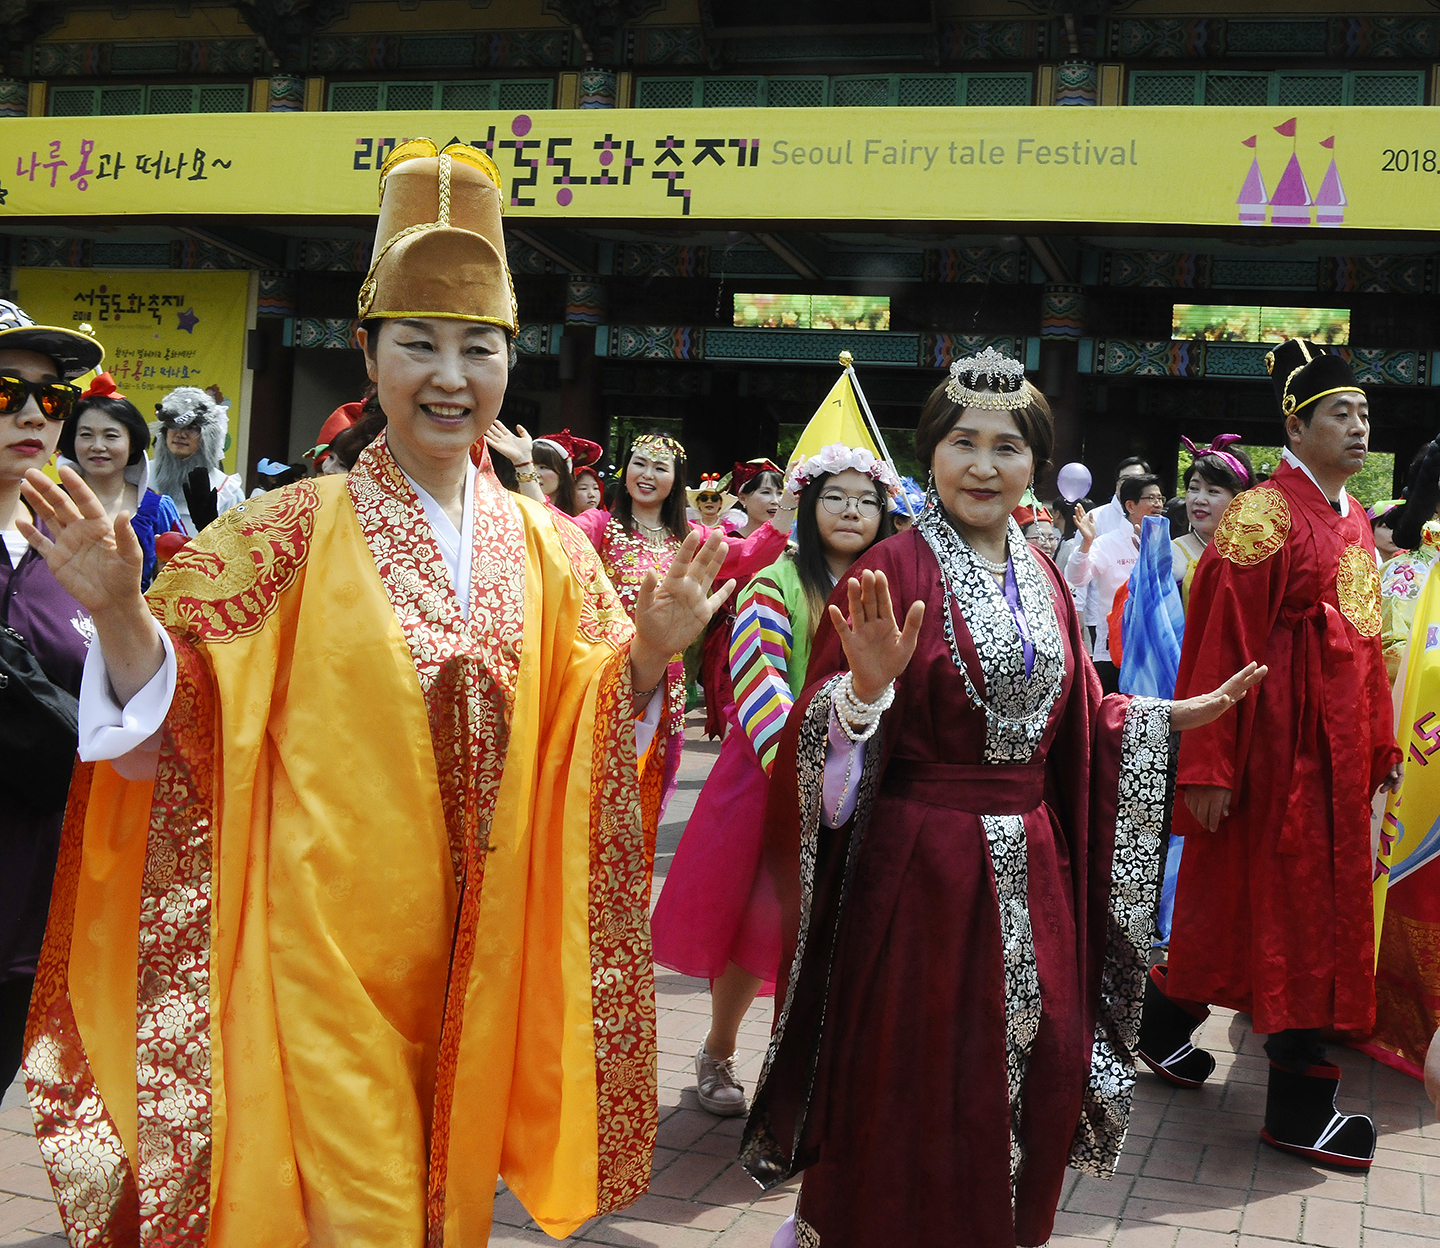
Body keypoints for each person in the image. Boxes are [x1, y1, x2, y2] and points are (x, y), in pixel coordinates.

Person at [18, 138, 735, 1246]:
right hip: (322, 948)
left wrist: (646, 658)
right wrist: (121, 612)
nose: (450, 377)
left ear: (509, 362)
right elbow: (182, 731)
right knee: (359, 1208)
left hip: (482, 949)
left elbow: (584, 736)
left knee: (440, 1208)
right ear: (368, 354)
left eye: (476, 348)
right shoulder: (281, 537)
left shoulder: (553, 551)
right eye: (420, 345)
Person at [739, 347, 1262, 1248]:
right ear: (930, 453)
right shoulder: (893, 569)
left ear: (1034, 462)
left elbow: (1080, 720)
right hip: (918, 877)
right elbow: (817, 746)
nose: (985, 466)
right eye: (964, 443)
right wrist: (861, 697)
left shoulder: (1047, 574)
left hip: (1037, 868)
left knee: (1039, 1064)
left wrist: (1157, 722)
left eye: (1008, 447)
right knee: (917, 1073)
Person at [1140, 338, 1402, 1170]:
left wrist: (1378, 748)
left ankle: (1158, 1028)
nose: (1359, 429)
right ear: (1296, 421)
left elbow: (1362, 641)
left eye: (1365, 414)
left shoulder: (1353, 516)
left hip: (1331, 758)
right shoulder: (1261, 515)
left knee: (1241, 916)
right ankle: (1298, 1104)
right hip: (1271, 757)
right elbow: (1221, 642)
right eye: (1341, 414)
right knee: (1293, 923)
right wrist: (1209, 766)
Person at [652, 445, 896, 1118]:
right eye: (838, 496)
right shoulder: (774, 583)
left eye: (867, 499)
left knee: (846, 933)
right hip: (773, 779)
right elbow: (759, 687)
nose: (853, 510)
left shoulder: (898, 588)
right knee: (754, 925)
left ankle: (816, 1063)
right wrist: (808, 770)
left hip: (870, 782)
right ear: (809, 505)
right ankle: (720, 1049)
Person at [0, 301, 102, 1095]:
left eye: (52, 398)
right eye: (6, 393)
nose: (34, 413)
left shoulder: (78, 548)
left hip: (33, 923)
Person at [576, 440, 792, 800]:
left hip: (666, 678)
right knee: (592, 784)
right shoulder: (598, 525)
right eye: (639, 464)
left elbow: (754, 552)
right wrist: (528, 470)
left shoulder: (693, 539)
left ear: (676, 481)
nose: (647, 475)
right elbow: (553, 539)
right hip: (605, 673)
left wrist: (790, 501)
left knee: (647, 789)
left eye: (660, 468)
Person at [57, 371, 182, 591]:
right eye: (86, 435)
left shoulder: (157, 509)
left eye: (111, 436)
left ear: (132, 443)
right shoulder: (49, 502)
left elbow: (183, 582)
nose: (97, 446)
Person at [1065, 474, 1165, 693]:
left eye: (1160, 498)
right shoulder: (1108, 543)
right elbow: (1076, 577)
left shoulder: (1163, 543)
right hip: (1115, 652)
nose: (1158, 504)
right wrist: (1086, 544)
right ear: (1130, 505)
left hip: (1155, 650)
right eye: (1151, 498)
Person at [1171, 435, 1254, 609]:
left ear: (1239, 500)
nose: (1199, 499)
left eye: (1212, 491)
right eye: (1193, 489)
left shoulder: (1257, 553)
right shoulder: (1170, 553)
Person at [149, 384, 244, 534]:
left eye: (191, 427)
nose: (180, 434)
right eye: (173, 426)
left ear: (207, 436)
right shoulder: (141, 476)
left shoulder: (227, 491)